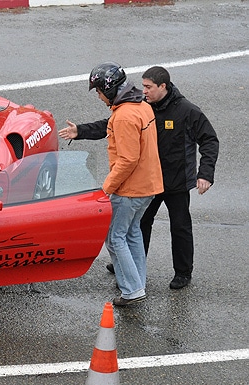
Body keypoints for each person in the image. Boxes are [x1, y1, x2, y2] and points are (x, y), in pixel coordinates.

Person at [59, 66, 219, 289]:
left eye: (148, 87)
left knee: (180, 227)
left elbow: (210, 140)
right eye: (143, 86)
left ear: (163, 87)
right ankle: (129, 268)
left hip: (177, 181)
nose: (143, 91)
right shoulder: (144, 106)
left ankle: (183, 272)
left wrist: (205, 174)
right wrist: (81, 131)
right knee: (139, 224)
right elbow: (112, 125)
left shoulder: (187, 110)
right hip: (151, 178)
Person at [81, 62, 163, 306]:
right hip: (149, 185)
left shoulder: (124, 116)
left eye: (98, 91)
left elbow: (127, 160)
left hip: (129, 189)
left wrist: (106, 189)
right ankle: (138, 282)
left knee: (115, 237)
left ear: (109, 89)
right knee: (132, 232)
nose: (98, 96)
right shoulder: (142, 105)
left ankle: (132, 290)